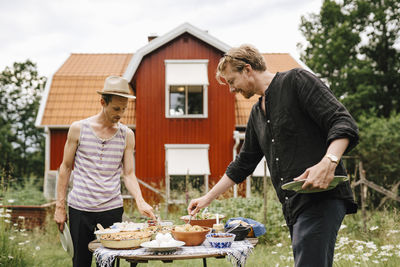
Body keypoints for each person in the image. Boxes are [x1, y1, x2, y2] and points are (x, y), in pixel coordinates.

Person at [188, 44, 359, 267]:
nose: (231, 89)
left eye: (231, 81)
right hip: (294, 205)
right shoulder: (256, 113)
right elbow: (243, 164)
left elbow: (343, 121)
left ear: (247, 69)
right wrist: (207, 198)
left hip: (321, 196)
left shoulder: (296, 81)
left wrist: (330, 161)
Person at [54, 75, 156, 267]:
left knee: (108, 262)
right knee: (81, 262)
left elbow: (129, 174)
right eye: (116, 108)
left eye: (124, 109)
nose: (121, 114)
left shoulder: (126, 135)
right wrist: (60, 207)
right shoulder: (78, 129)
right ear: (103, 102)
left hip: (111, 210)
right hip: (80, 208)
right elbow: (65, 168)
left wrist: (140, 200)